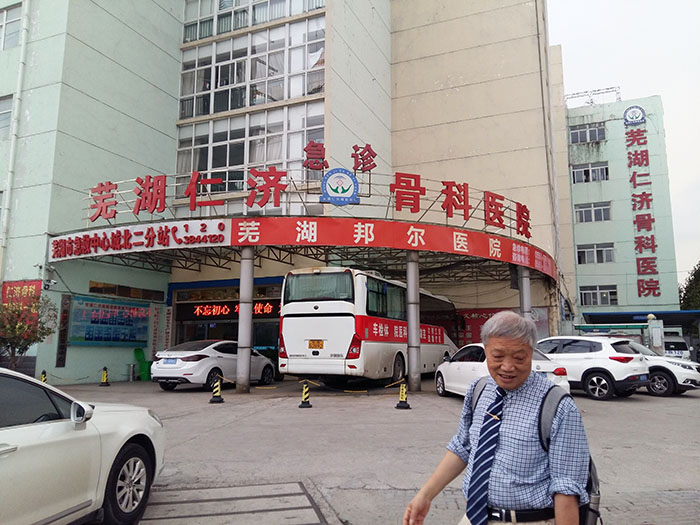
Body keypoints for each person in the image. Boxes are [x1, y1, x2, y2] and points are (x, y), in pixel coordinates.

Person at [403, 311, 590, 525]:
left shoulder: (558, 406)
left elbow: (566, 487)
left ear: (531, 353)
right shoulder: (480, 389)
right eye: (498, 356)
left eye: (519, 358)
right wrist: (425, 495)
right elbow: (462, 447)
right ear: (486, 351)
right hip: (475, 517)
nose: (507, 367)